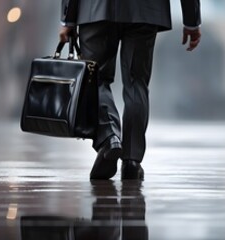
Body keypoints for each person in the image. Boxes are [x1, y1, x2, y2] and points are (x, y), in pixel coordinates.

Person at [59, 0, 202, 180]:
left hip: (95, 9)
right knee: (137, 83)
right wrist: (191, 20)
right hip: (146, 10)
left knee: (94, 79)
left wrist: (68, 19)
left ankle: (109, 137)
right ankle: (132, 161)